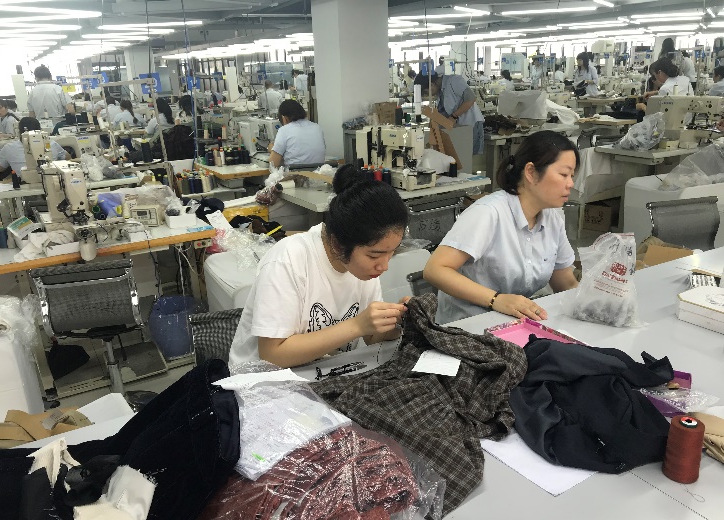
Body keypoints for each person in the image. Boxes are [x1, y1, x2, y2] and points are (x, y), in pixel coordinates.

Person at [228, 164, 410, 369]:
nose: (384, 266)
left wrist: (396, 322)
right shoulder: (288, 260)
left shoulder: (365, 269)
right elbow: (272, 355)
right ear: (338, 245)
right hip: (263, 378)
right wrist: (357, 325)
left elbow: (371, 337)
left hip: (320, 372)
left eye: (391, 252)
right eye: (374, 255)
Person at [423, 130, 579, 324]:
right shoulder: (488, 213)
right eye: (563, 174)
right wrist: (496, 299)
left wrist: (595, 301)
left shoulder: (553, 217)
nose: (570, 184)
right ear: (531, 172)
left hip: (513, 323)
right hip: (467, 324)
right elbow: (435, 269)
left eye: (572, 175)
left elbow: (565, 282)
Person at [414, 72, 485, 155]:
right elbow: (444, 113)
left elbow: (471, 99)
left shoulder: (453, 80)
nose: (429, 95)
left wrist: (454, 116)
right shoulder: (440, 92)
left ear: (431, 84)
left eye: (427, 92)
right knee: (462, 157)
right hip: (460, 128)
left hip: (471, 124)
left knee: (471, 157)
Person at [0, 117, 69, 176]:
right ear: (40, 129)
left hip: (23, 184)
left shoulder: (9, 148)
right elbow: (68, 158)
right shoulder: (52, 144)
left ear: (19, 131)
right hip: (51, 181)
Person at [268, 99, 325, 167]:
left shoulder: (284, 130)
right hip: (318, 172)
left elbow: (273, 164)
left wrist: (272, 149)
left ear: (284, 118)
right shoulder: (317, 127)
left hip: (295, 173)